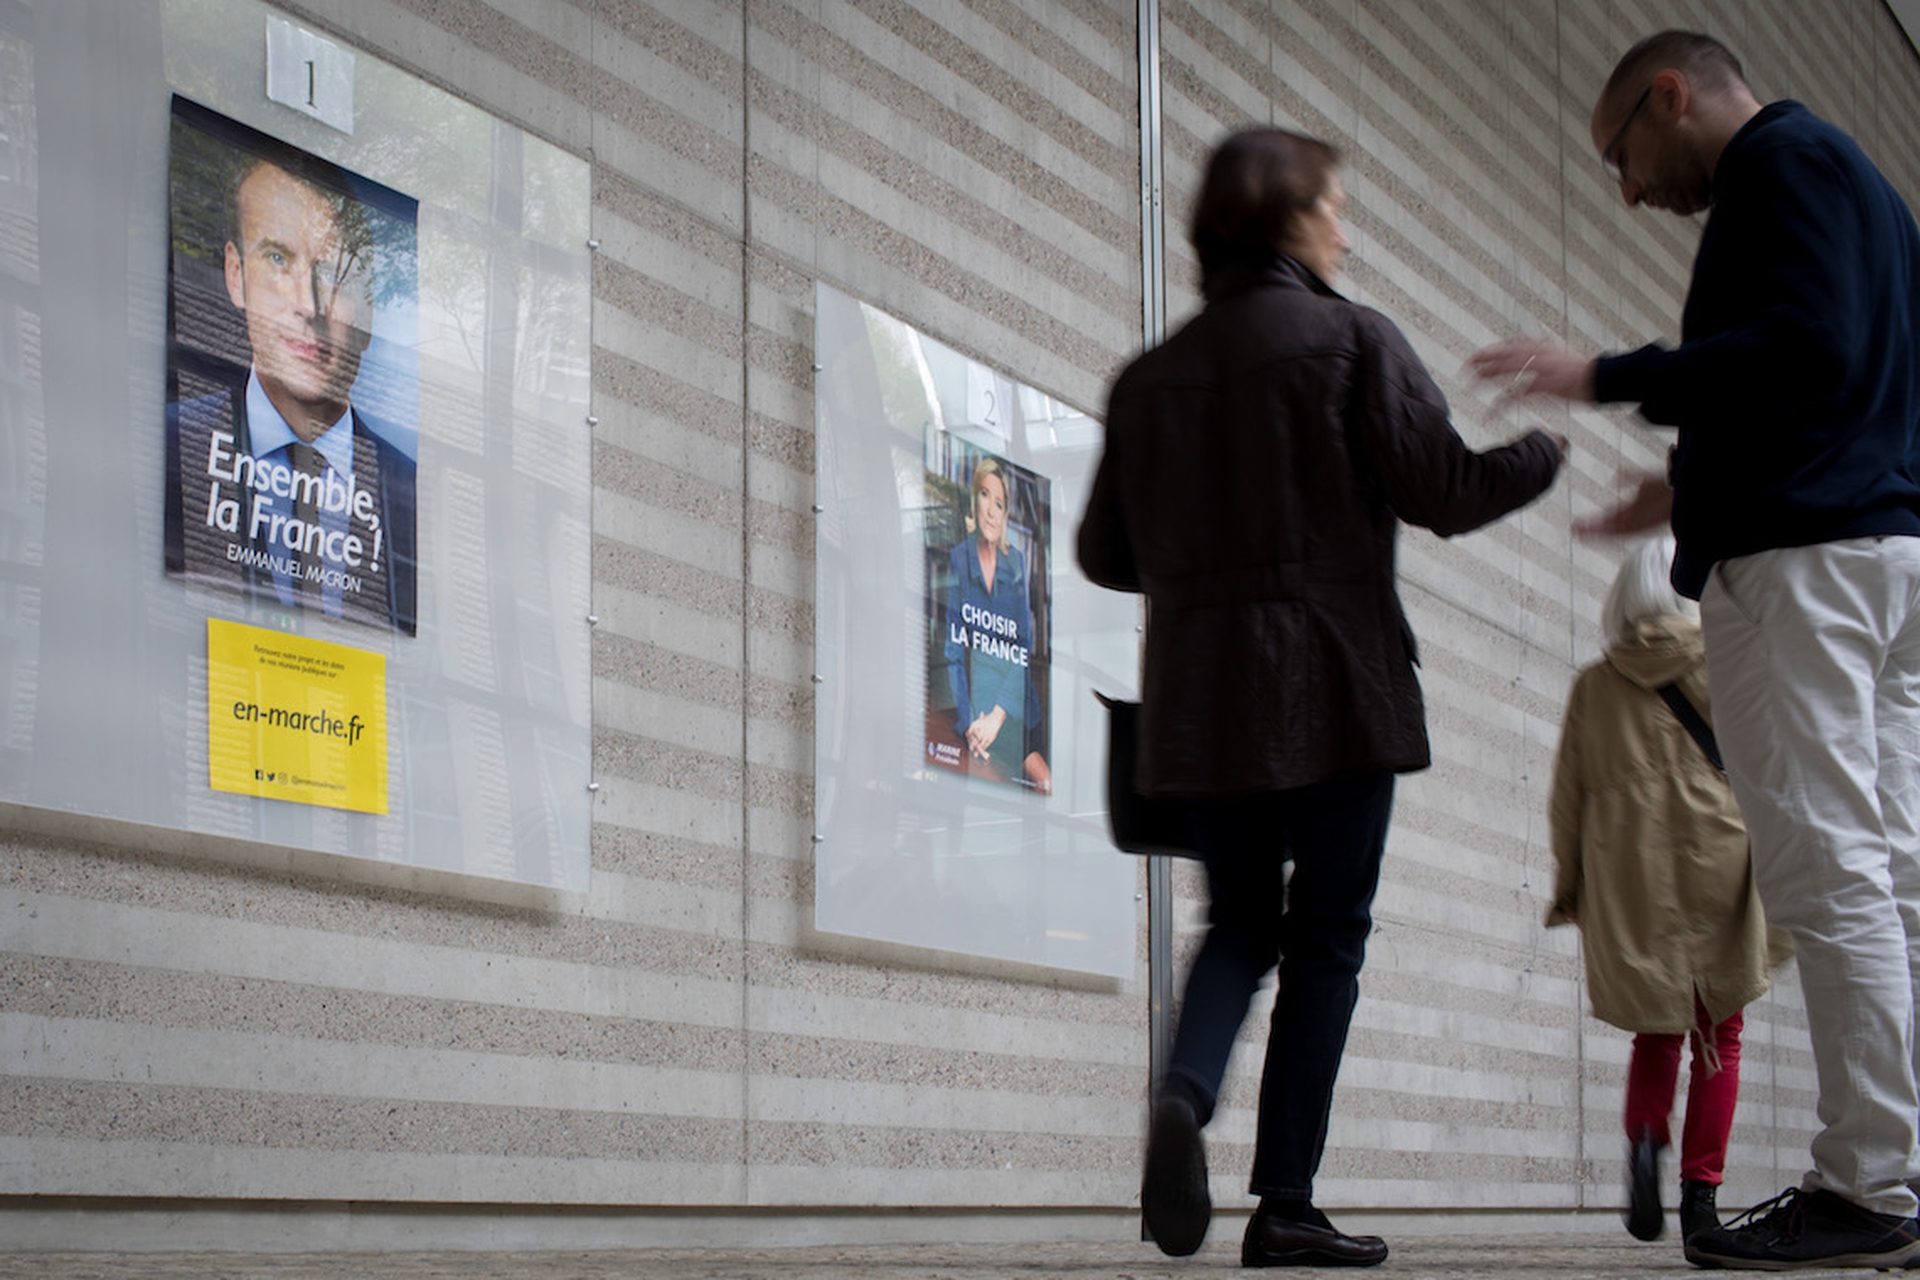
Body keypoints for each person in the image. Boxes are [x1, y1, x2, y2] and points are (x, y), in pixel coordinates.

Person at [1469, 30, 1920, 1270]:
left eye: (1623, 153)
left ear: (1671, 96)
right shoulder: (1871, 193)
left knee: (1830, 874)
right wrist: (1689, 487)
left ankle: (1870, 1186)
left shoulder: (1780, 166)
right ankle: (1895, 1173)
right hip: (1884, 554)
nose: (1627, 191)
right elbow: (1840, 381)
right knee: (1891, 879)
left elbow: (1796, 351)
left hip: (1808, 569)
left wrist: (1604, 373)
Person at [1078, 127, 1562, 1267]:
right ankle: (1284, 1201)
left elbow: (1105, 550)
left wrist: (1208, 569)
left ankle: (1186, 1095)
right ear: (1290, 216)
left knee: (1239, 921)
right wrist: (1542, 452)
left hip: (1204, 698)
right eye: (1336, 204)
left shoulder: (1149, 380)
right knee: (1328, 935)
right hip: (1339, 681)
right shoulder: (1352, 339)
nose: (1346, 224)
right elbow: (1444, 489)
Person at [1547, 536, 1787, 1246]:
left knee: (1658, 1027)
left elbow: (1567, 798)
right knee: (1722, 1031)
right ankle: (1702, 1201)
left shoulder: (1595, 684)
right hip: (1721, 854)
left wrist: (1571, 887)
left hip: (1632, 874)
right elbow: (1772, 767)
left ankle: (1646, 1140)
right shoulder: (1731, 661)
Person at [167, 132, 417, 635]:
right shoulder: (168, 446)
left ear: (367, 309)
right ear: (236, 277)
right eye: (279, 259)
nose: (308, 303)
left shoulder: (410, 494)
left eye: (336, 273)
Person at [942, 457, 1051, 793]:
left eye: (1000, 503)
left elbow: (1022, 654)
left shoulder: (1016, 563)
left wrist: (996, 717)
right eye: (985, 496)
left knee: (1044, 785)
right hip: (977, 716)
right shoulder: (958, 559)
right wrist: (969, 724)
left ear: (1005, 516)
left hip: (1014, 708)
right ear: (974, 501)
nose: (991, 510)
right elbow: (953, 652)